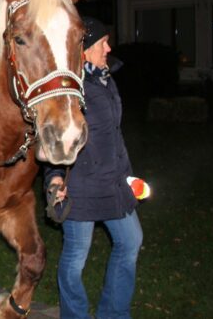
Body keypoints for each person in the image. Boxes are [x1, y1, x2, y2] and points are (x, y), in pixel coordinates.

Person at [44, 17, 143, 319]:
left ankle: (113, 313)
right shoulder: (69, 88)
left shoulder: (104, 77)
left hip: (115, 181)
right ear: (84, 50)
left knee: (131, 241)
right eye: (103, 43)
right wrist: (55, 177)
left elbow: (114, 130)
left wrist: (128, 173)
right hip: (83, 185)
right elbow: (53, 135)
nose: (109, 48)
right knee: (76, 257)